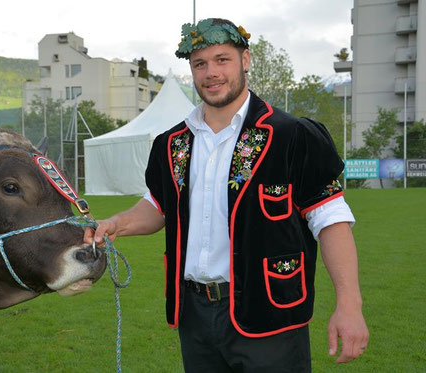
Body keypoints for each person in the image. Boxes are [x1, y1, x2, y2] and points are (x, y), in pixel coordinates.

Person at [85, 18, 369, 372]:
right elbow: (159, 206)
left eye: (222, 60)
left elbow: (331, 220)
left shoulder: (293, 136)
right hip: (195, 316)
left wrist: (349, 303)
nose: (211, 73)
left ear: (245, 60)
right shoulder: (172, 143)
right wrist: (116, 223)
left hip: (270, 313)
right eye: (200, 64)